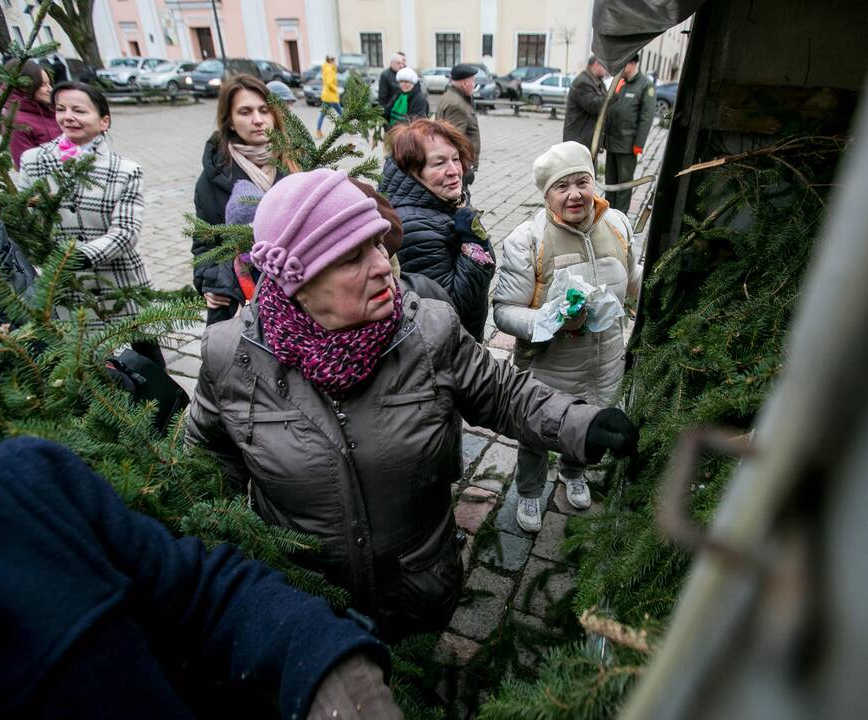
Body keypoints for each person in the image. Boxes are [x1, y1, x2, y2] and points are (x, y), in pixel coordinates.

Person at [186, 168, 638, 641]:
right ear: (296, 280)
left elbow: (503, 393)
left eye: (379, 244)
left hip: (417, 588)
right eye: (352, 258)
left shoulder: (427, 328)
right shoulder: (231, 355)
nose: (383, 265)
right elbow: (210, 460)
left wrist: (580, 422)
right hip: (302, 605)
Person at [0, 437, 402, 719]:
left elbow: (201, 593)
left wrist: (327, 662)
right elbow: (213, 459)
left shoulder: (22, 488)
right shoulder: (234, 354)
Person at [493, 141, 643, 532]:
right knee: (539, 430)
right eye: (562, 187)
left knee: (590, 417)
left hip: (605, 357)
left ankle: (573, 472)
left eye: (583, 182)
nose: (575, 194)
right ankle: (528, 492)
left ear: (594, 184)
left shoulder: (618, 224)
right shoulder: (527, 240)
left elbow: (631, 279)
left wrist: (659, 280)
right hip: (550, 364)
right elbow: (504, 311)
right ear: (547, 195)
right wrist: (548, 319)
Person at [17, 81, 163, 367]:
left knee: (147, 352)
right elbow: (26, 221)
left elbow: (125, 233)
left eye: (79, 110)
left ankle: (167, 405)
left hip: (119, 278)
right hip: (64, 284)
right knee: (86, 356)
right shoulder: (34, 161)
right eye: (61, 109)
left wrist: (75, 258)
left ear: (103, 120)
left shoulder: (124, 170)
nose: (68, 116)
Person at [193, 74, 299, 325]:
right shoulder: (214, 177)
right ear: (229, 121)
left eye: (264, 110)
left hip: (296, 288)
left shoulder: (295, 163)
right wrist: (212, 283)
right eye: (245, 112)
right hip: (242, 295)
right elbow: (204, 245)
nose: (258, 120)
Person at [378, 118, 494, 341]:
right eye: (439, 163)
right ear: (412, 171)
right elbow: (450, 307)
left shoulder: (442, 202)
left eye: (455, 159)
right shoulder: (413, 228)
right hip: (446, 354)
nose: (454, 171)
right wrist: (475, 243)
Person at [604, 53, 655, 214]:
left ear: (633, 64)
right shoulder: (621, 82)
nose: (621, 68)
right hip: (612, 143)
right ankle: (607, 213)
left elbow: (646, 118)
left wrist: (639, 144)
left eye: (624, 65)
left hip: (627, 145)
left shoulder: (645, 85)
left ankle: (620, 216)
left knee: (624, 184)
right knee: (610, 182)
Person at [4, 59, 59, 169]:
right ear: (23, 86)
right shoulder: (16, 121)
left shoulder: (48, 109)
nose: (50, 89)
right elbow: (26, 167)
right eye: (43, 84)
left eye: (49, 83)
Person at [435, 63, 481, 174]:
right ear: (465, 84)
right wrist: (464, 168)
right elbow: (454, 140)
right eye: (472, 82)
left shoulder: (451, 96)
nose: (474, 85)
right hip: (460, 166)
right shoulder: (457, 105)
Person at [563, 55, 609, 151]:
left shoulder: (597, 81)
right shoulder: (583, 82)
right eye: (605, 67)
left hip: (587, 138)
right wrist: (614, 94)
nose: (607, 71)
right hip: (579, 139)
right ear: (596, 64)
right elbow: (594, 106)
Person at [315, 55, 340, 138]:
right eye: (334, 61)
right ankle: (342, 130)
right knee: (342, 113)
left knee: (322, 115)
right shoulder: (329, 70)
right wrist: (336, 90)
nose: (335, 62)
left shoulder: (326, 69)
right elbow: (329, 83)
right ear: (331, 61)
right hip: (331, 96)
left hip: (326, 96)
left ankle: (318, 132)